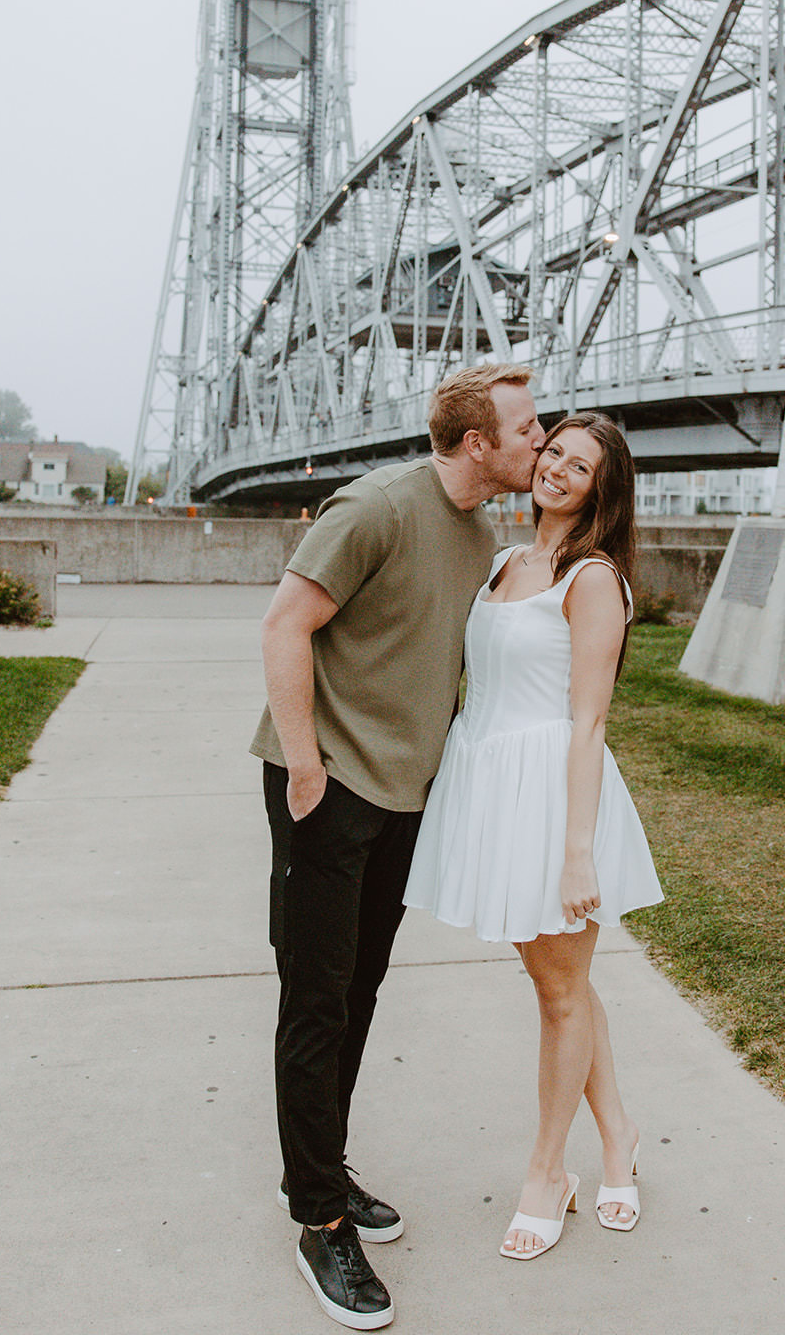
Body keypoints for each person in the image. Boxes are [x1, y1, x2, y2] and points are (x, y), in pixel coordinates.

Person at [251, 363, 545, 1330]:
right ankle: (318, 1217)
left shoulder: (477, 529)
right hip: (328, 784)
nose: (538, 440)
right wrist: (304, 769)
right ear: (475, 443)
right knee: (315, 995)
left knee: (359, 989)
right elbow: (285, 624)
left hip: (401, 796)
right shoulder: (377, 505)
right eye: (526, 427)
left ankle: (325, 1166)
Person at [404, 411, 663, 1260]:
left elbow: (587, 723)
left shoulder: (592, 580)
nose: (555, 469)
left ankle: (548, 1171)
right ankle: (620, 1134)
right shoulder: (507, 561)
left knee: (559, 994)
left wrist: (577, 850)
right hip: (489, 783)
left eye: (579, 466)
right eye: (552, 451)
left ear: (600, 490)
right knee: (563, 984)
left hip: (550, 796)